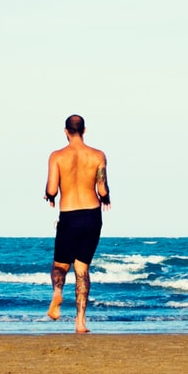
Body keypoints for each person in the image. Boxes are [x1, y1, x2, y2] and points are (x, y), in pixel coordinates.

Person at [44, 114, 110, 334]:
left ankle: (57, 294)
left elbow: (52, 189)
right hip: (92, 216)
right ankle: (80, 322)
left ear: (65, 131)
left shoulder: (57, 156)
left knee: (60, 265)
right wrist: (106, 199)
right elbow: (102, 189)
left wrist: (50, 196)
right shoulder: (98, 155)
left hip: (69, 214)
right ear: (84, 130)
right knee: (82, 269)